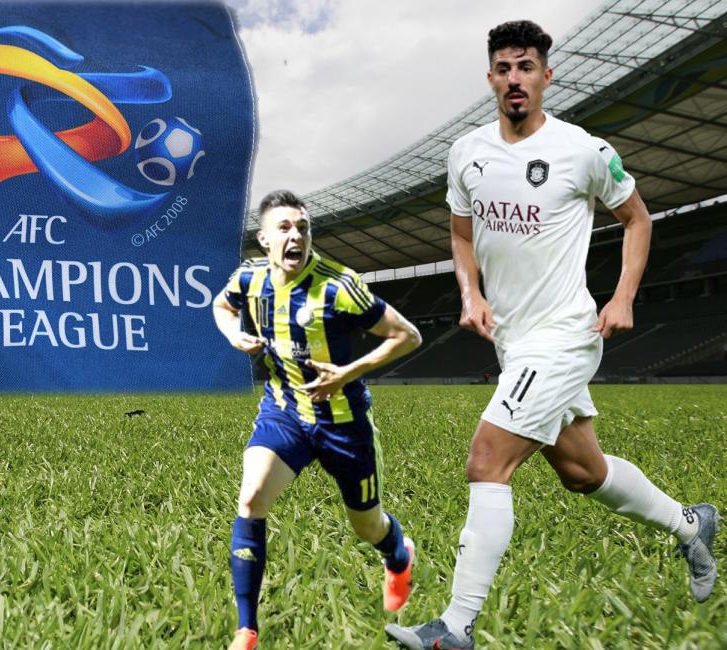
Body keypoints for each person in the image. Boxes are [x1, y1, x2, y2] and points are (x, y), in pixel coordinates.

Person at [385, 20, 719, 650]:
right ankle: (690, 523)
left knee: (486, 462)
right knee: (582, 470)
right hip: (512, 340)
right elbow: (461, 233)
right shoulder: (467, 153)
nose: (516, 78)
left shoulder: (584, 151)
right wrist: (470, 292)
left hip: (563, 334)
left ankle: (454, 628)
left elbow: (638, 220)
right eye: (505, 68)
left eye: (527, 66)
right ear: (491, 78)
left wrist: (622, 297)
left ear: (546, 75)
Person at [214, 190, 423, 650]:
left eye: (303, 227)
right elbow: (222, 306)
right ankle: (246, 630)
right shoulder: (248, 281)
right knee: (250, 499)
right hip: (284, 412)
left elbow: (407, 335)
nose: (296, 235)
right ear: (264, 239)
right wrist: (235, 335)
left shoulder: (338, 285)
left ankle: (398, 555)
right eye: (285, 228)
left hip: (343, 423)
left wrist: (348, 372)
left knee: (367, 527)